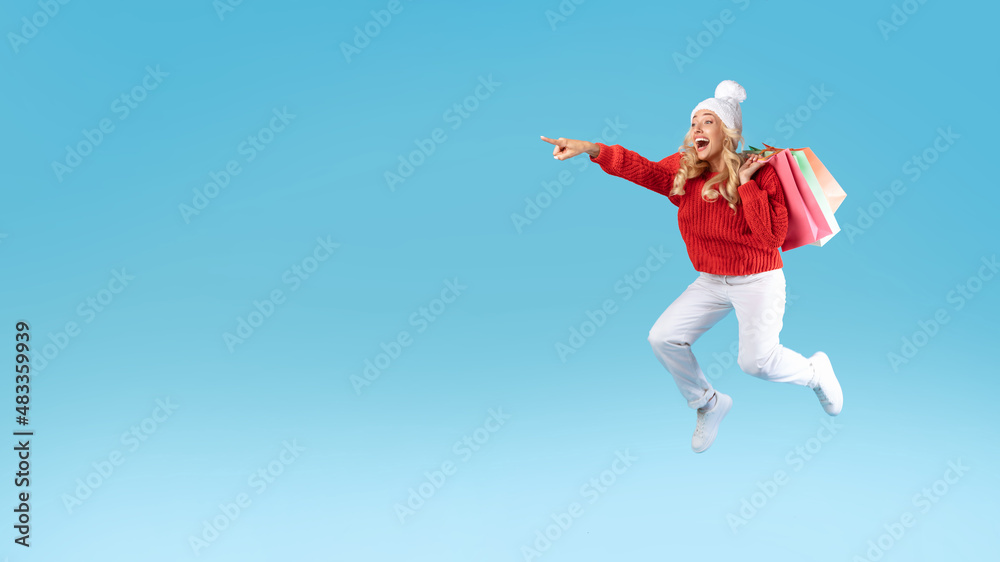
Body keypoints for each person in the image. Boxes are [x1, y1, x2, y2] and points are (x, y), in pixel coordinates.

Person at [540, 80, 843, 453]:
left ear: (728, 132)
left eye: (709, 121)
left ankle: (815, 372)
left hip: (758, 279)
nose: (698, 128)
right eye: (694, 121)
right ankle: (709, 403)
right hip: (712, 280)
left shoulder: (761, 172)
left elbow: (771, 240)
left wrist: (746, 185)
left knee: (757, 363)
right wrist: (592, 149)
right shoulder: (685, 171)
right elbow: (641, 169)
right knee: (662, 338)